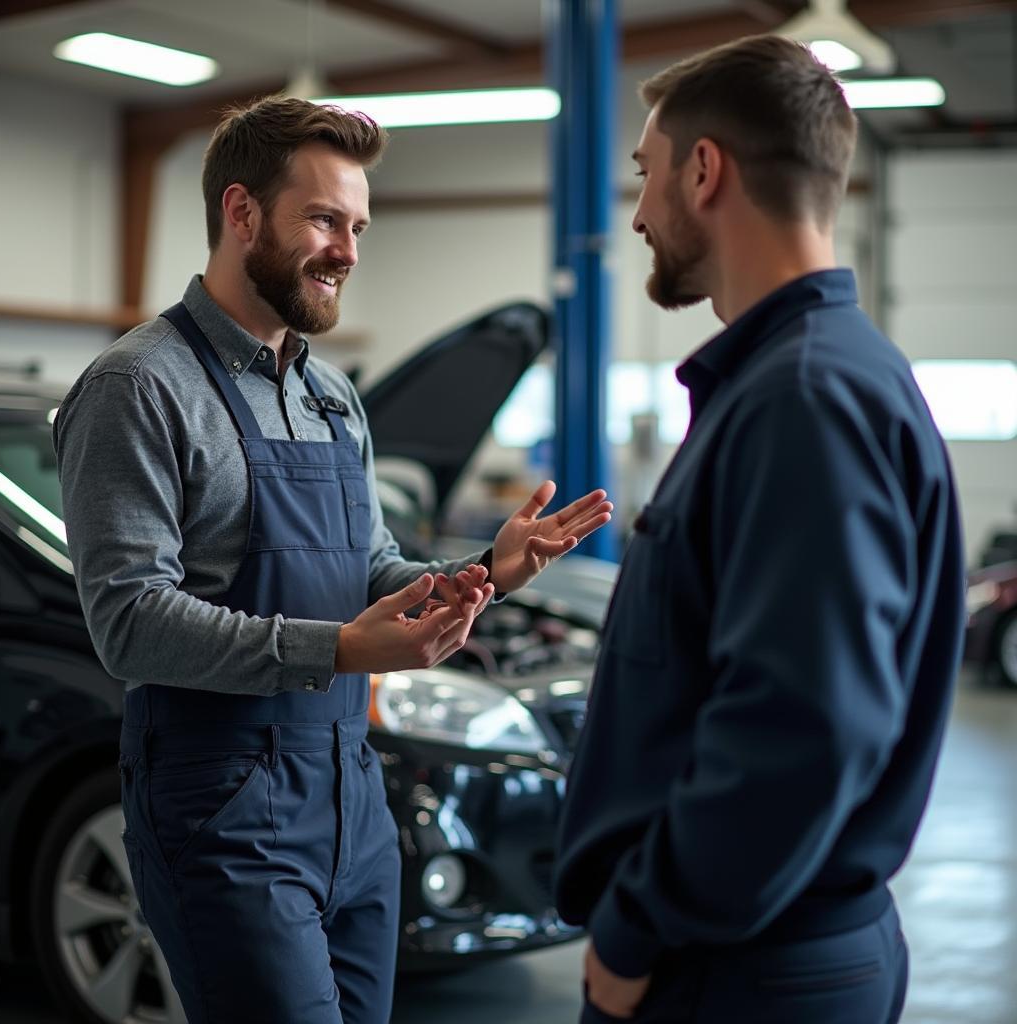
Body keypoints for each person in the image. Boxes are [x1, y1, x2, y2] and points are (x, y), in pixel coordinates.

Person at [53, 95, 611, 1024]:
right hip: (222, 807)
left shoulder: (330, 396)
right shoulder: (139, 388)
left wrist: (484, 574)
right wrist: (341, 653)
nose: (348, 249)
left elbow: (369, 566)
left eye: (357, 225)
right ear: (241, 213)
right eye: (322, 219)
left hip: (354, 794)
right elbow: (129, 622)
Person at [555, 34, 965, 1024]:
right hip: (751, 954)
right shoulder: (807, 378)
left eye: (647, 174)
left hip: (734, 970)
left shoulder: (804, 398)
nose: (641, 212)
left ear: (705, 171)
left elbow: (800, 727)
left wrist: (634, 928)